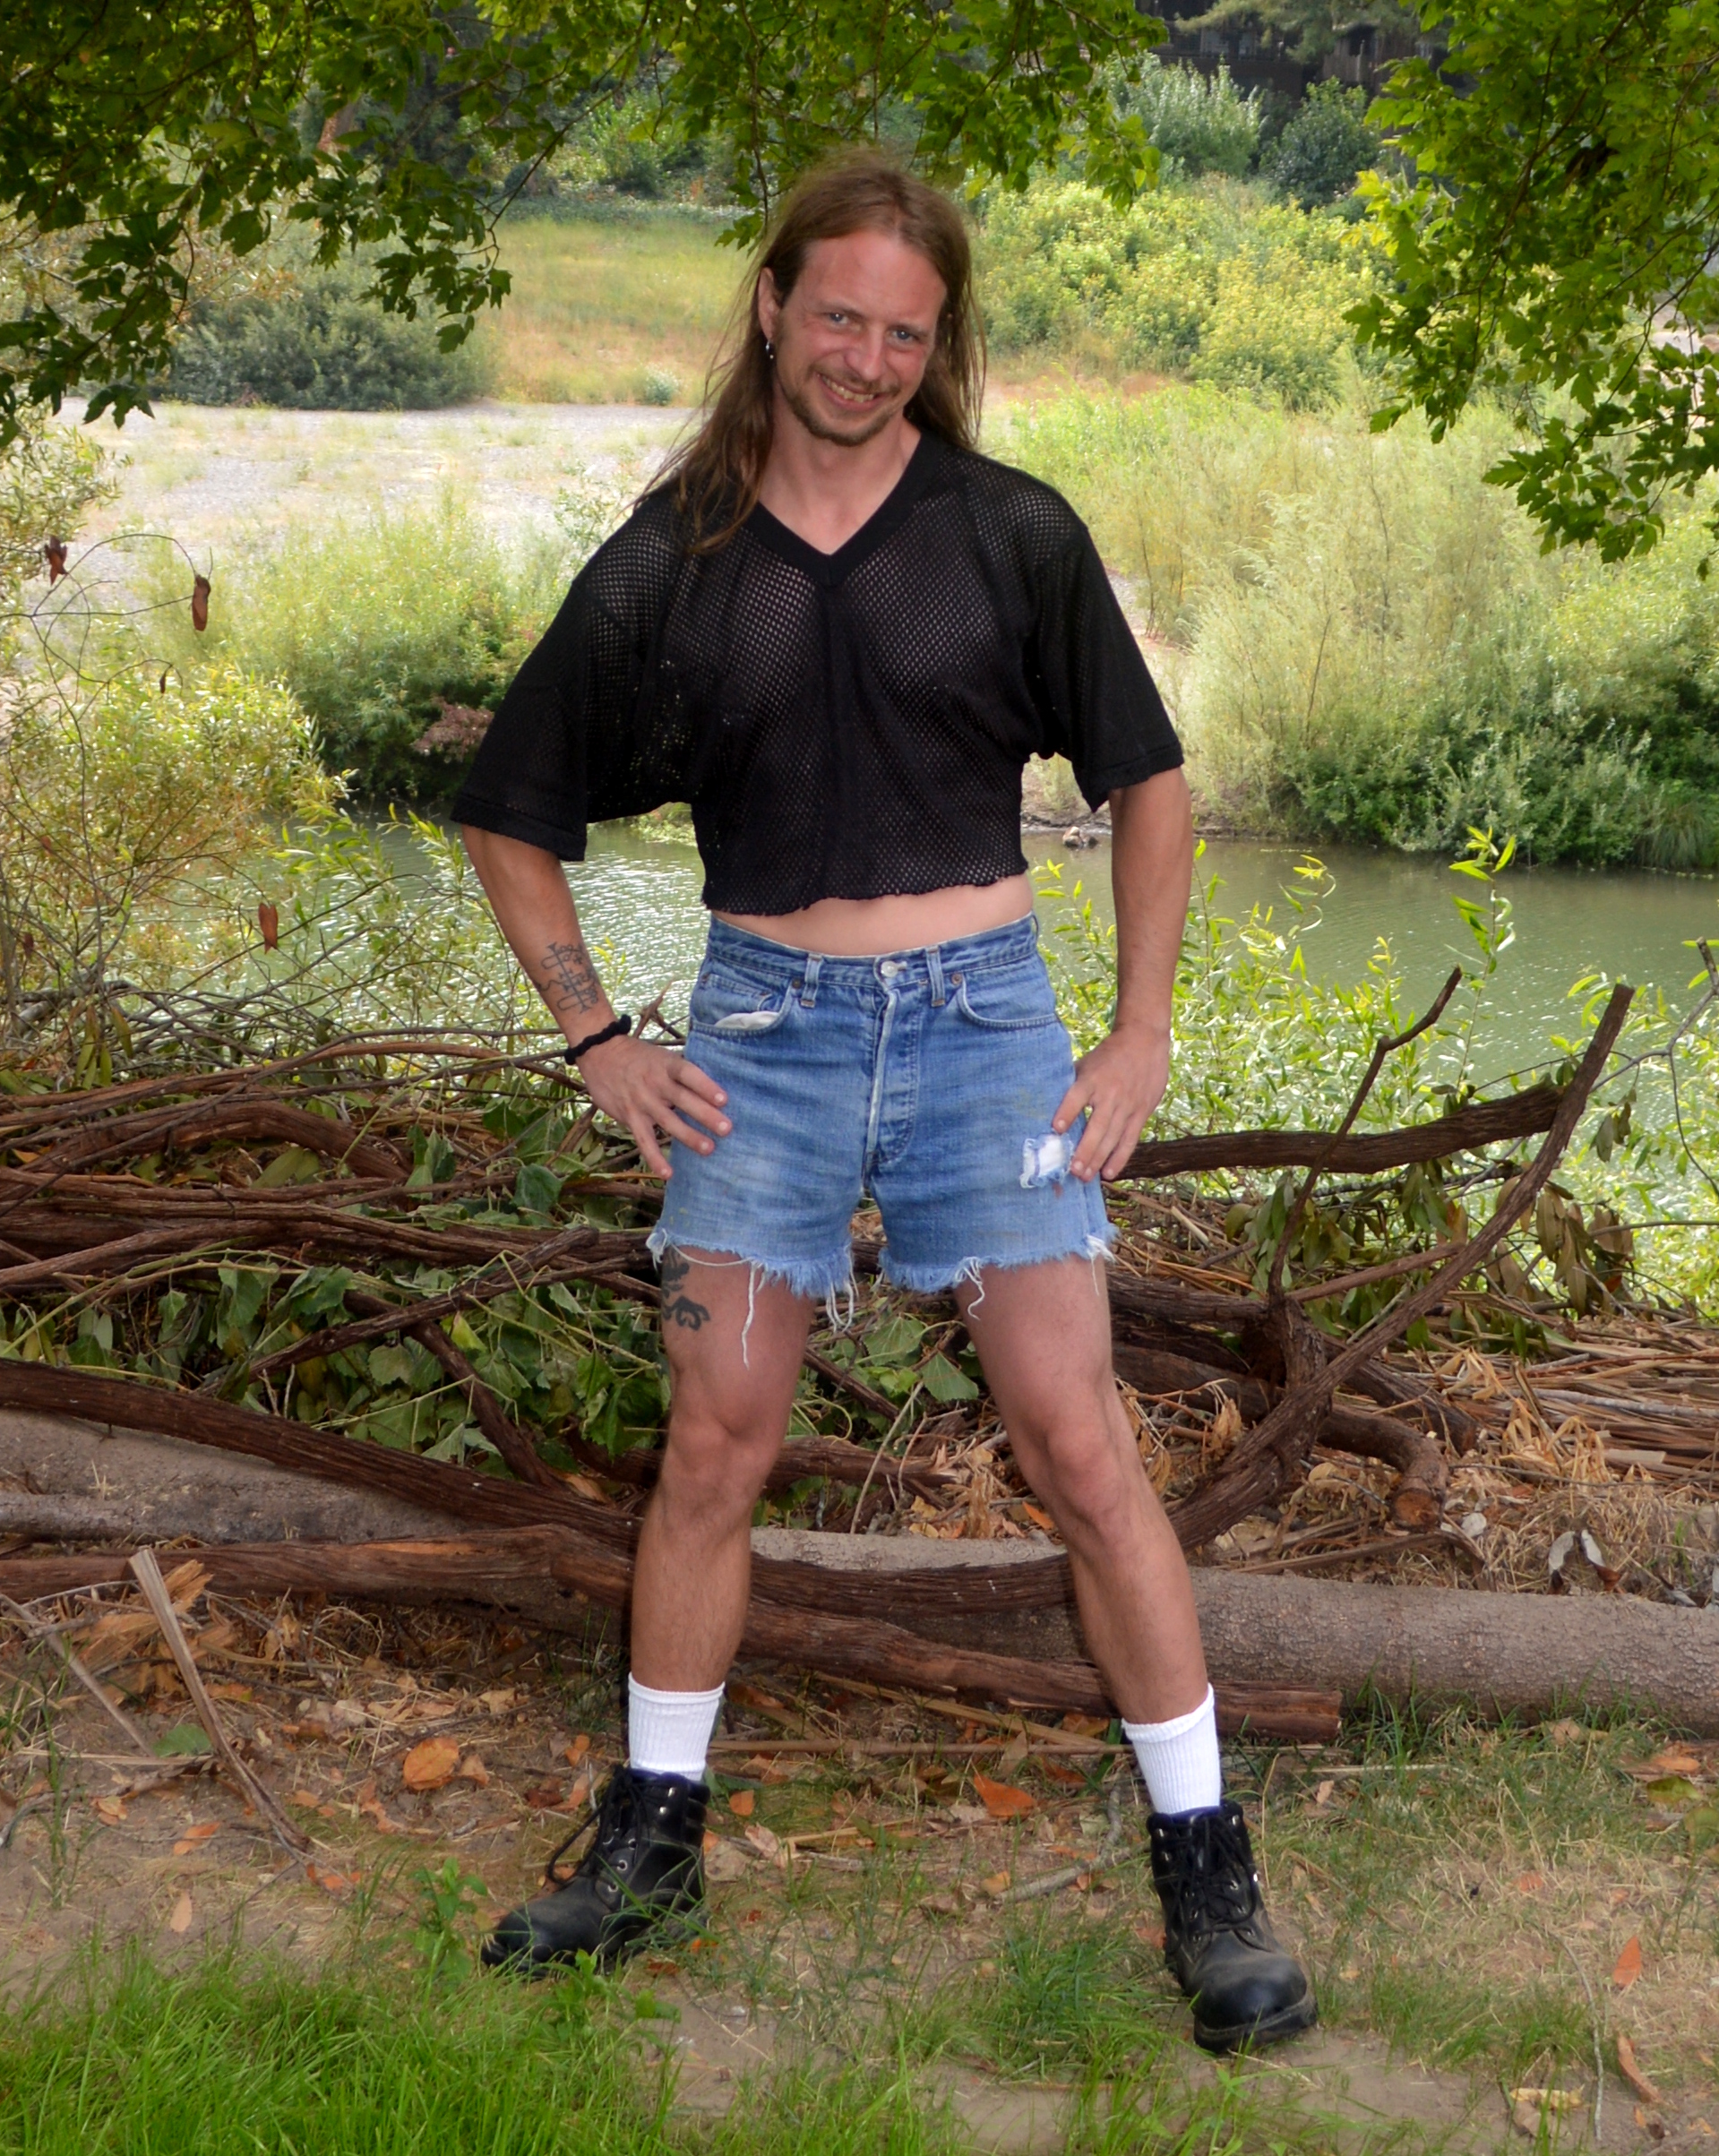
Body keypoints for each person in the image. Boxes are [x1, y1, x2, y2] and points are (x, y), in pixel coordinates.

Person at [453, 150, 1313, 2054]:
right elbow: (509, 812)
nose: (864, 357)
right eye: (836, 315)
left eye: (905, 334)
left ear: (941, 347)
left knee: (1078, 1440)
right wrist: (600, 1038)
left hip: (984, 1030)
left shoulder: (1008, 533)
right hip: (758, 1037)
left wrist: (1141, 1031)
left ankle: (1211, 1874)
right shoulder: (673, 558)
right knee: (714, 1442)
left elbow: (1152, 786)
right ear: (772, 306)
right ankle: (652, 1844)